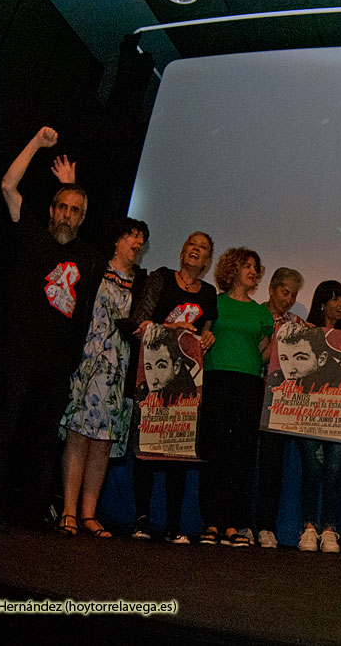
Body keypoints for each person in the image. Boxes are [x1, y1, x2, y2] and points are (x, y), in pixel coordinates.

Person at [0, 127, 102, 532]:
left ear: (82, 219)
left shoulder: (88, 257)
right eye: (62, 208)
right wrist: (36, 143)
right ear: (51, 212)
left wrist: (73, 188)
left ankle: (33, 514)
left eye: (76, 210)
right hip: (20, 355)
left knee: (41, 442)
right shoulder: (34, 237)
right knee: (6, 431)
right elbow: (8, 184)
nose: (68, 214)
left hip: (57, 366)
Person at [58, 218, 149, 538]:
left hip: (119, 371)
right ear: (116, 240)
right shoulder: (96, 267)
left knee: (103, 443)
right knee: (79, 437)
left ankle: (89, 514)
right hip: (89, 363)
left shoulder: (142, 283)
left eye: (141, 239)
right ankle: (68, 511)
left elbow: (143, 323)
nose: (137, 243)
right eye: (132, 236)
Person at [127, 231, 217, 544]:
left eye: (202, 248)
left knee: (178, 450)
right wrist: (170, 328)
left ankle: (174, 524)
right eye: (191, 244)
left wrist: (207, 338)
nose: (195, 249)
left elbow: (205, 334)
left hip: (184, 384)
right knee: (147, 448)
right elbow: (138, 322)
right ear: (181, 251)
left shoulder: (208, 292)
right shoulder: (161, 279)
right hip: (150, 376)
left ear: (207, 261)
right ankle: (141, 518)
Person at [198, 247, 275, 547]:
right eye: (247, 266)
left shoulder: (260, 313)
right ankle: (211, 523)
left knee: (241, 455)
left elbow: (264, 353)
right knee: (214, 451)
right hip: (217, 379)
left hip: (248, 384)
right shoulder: (213, 304)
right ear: (232, 269)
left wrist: (279, 342)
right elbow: (198, 340)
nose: (253, 271)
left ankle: (234, 524)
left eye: (256, 267)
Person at [294, 280, 341, 554]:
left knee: (334, 471)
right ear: (322, 303)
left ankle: (329, 529)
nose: (340, 303)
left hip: (340, 417)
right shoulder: (304, 335)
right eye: (334, 299)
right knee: (312, 469)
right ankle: (308, 527)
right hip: (308, 413)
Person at [254, 267, 304, 549]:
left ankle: (266, 525)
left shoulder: (296, 322)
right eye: (285, 292)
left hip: (281, 404)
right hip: (253, 394)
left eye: (294, 295)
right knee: (247, 462)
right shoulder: (255, 314)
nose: (288, 299)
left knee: (272, 466)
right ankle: (240, 523)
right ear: (272, 289)